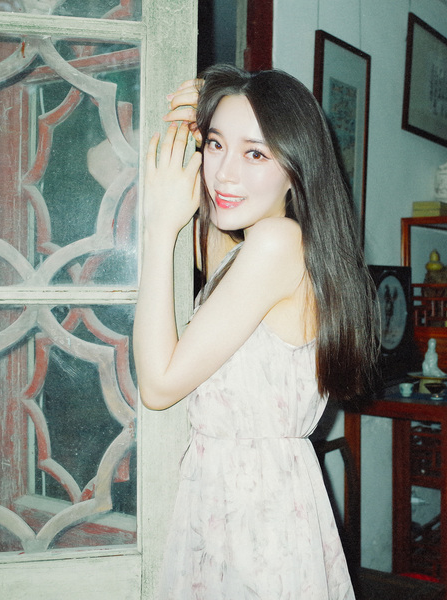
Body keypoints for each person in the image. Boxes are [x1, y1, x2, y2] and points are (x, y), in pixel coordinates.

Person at [133, 64, 378, 599]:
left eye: (256, 154)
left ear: (296, 169)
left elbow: (158, 384)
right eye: (216, 145)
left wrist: (158, 226)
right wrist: (187, 129)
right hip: (245, 503)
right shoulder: (259, 246)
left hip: (254, 520)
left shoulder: (277, 243)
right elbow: (209, 241)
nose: (224, 174)